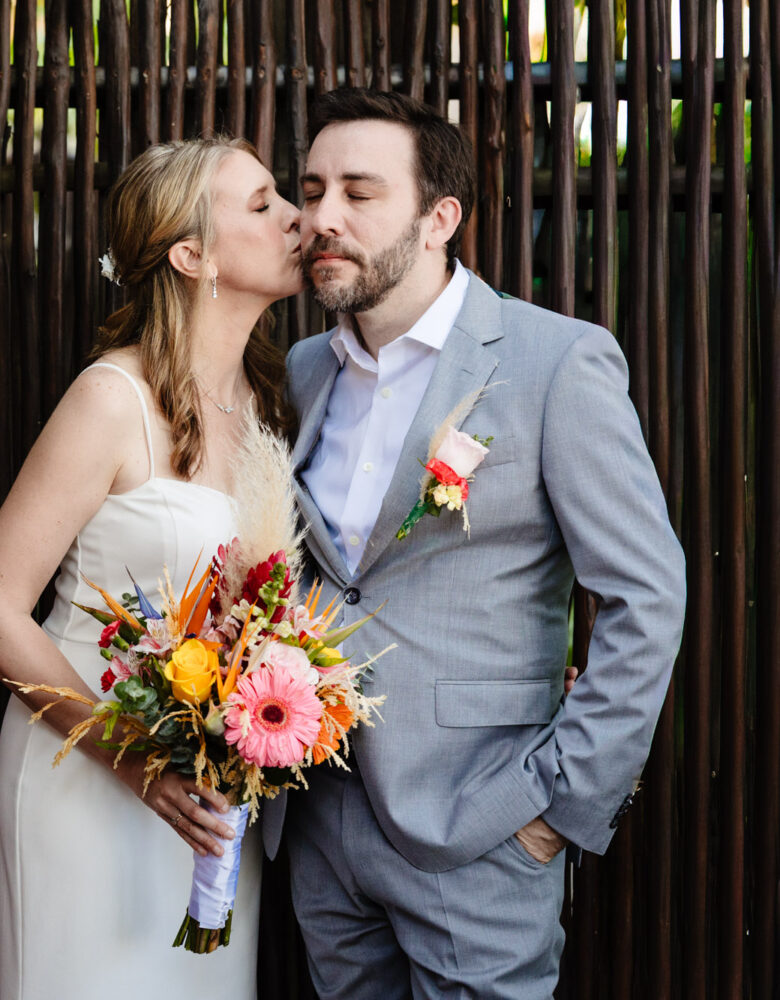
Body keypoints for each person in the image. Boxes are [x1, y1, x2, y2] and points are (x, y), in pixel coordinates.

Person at [271, 87, 686, 998]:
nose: (321, 218)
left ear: (438, 218)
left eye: (359, 191)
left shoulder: (555, 362)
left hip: (481, 823)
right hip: (319, 823)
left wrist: (556, 810)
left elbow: (645, 598)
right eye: (311, 188)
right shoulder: (302, 371)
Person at [0, 137, 304, 998]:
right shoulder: (112, 399)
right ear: (192, 254)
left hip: (212, 797)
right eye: (261, 206)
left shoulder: (266, 400)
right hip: (92, 780)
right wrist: (138, 762)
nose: (299, 217)